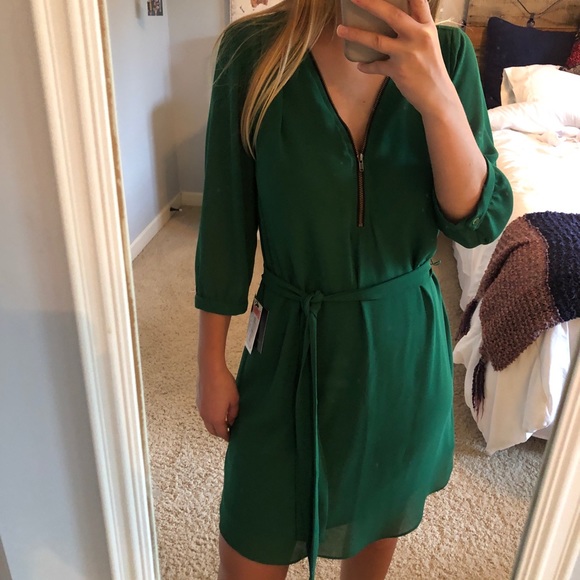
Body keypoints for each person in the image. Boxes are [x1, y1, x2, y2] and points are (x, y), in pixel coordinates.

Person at [194, 0, 513, 578]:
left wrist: (437, 95)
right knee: (253, 522)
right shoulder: (252, 52)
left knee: (376, 519)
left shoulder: (448, 53)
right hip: (288, 342)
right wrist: (209, 362)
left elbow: (476, 221)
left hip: (400, 353)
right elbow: (225, 223)